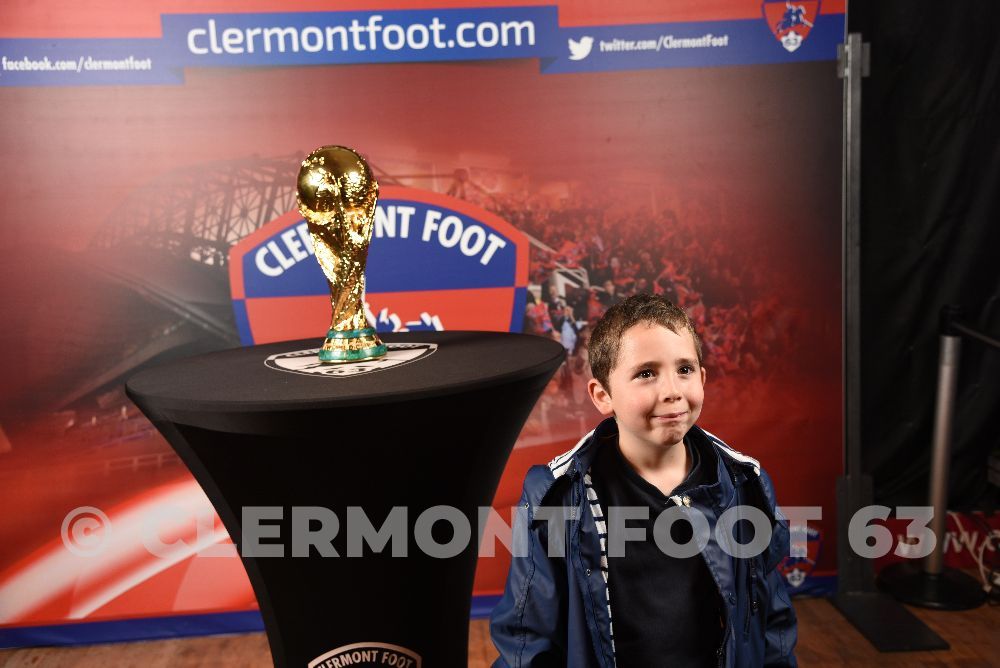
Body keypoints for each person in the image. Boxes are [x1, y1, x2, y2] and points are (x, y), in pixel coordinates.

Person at [490, 293, 797, 667]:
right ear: (603, 395)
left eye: (684, 369)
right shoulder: (556, 495)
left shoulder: (744, 483)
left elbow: (771, 620)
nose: (672, 391)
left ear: (701, 378)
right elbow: (527, 639)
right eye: (646, 373)